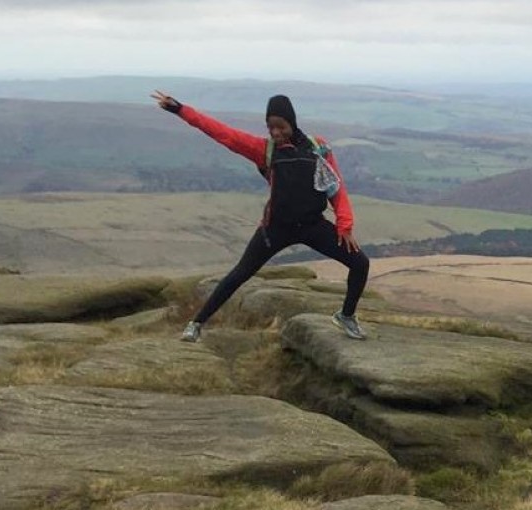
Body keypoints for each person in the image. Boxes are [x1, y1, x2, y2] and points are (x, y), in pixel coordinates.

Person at [151, 90, 371, 341]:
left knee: (360, 263)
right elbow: (221, 133)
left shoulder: (318, 148)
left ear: (292, 122)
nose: (276, 133)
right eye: (270, 127)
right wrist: (180, 110)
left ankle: (346, 316)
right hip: (276, 228)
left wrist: (345, 224)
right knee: (240, 273)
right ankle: (196, 324)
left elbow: (335, 186)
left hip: (312, 225)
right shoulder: (264, 150)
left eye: (281, 126)